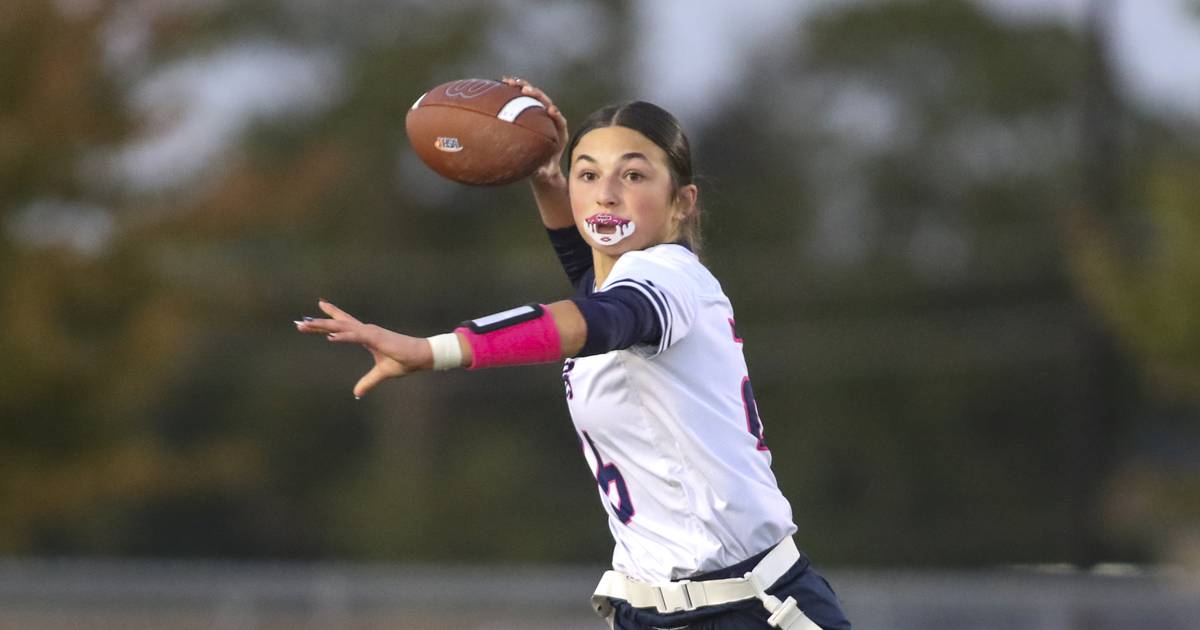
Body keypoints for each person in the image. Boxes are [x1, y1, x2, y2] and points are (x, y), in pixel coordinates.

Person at [295, 78, 852, 630]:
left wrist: (432, 349)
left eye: (633, 175)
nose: (605, 193)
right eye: (588, 175)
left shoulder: (672, 277)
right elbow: (592, 283)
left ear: (682, 203)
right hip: (652, 611)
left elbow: (600, 319)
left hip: (748, 608)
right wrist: (546, 179)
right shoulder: (620, 280)